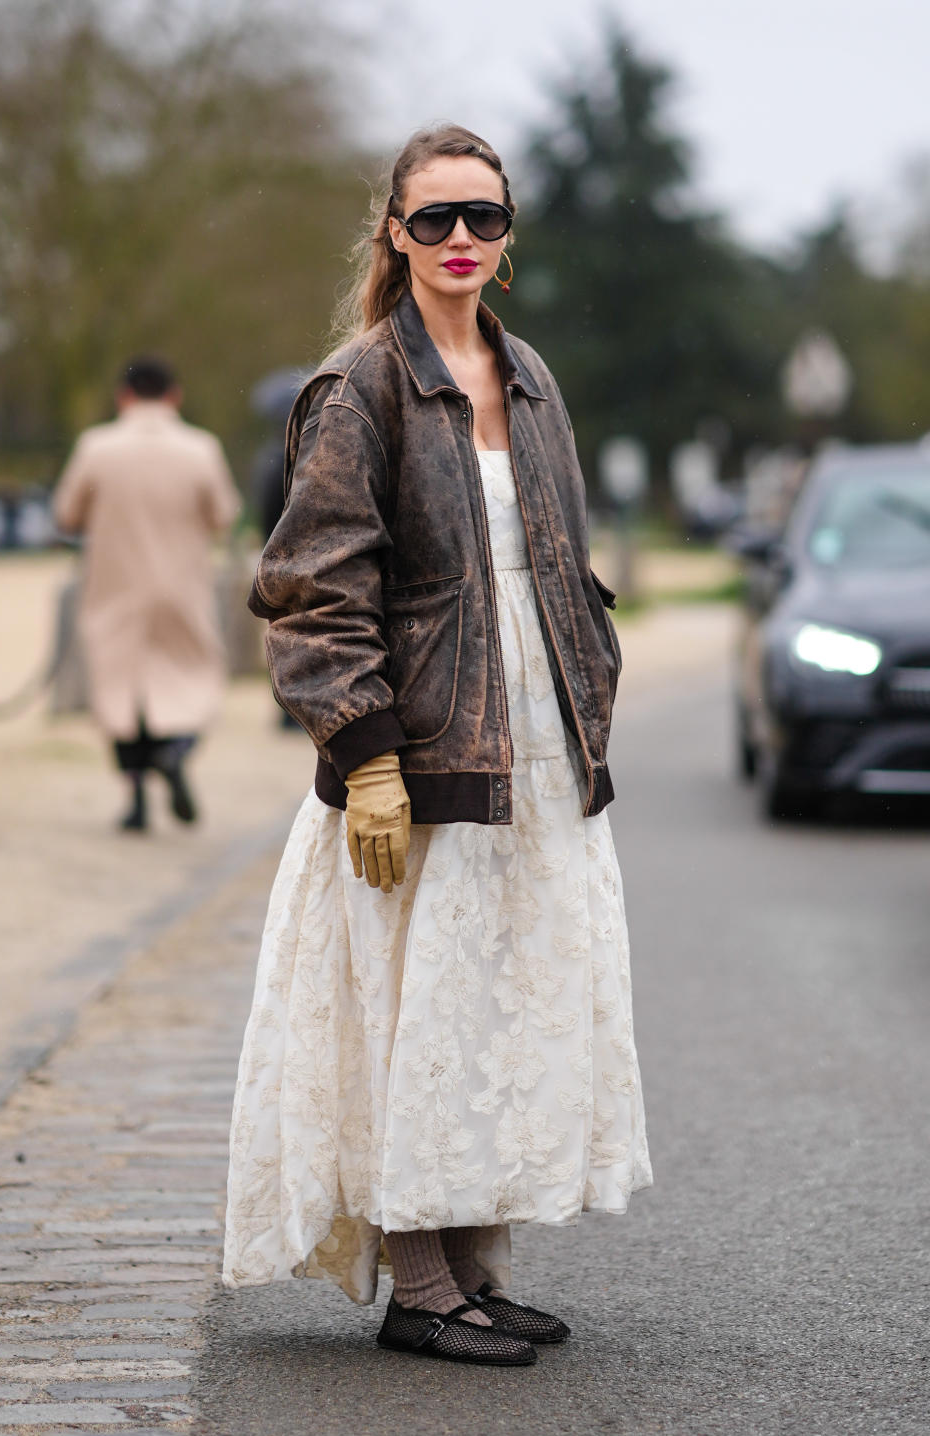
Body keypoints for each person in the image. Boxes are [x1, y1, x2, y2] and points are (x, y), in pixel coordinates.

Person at [223, 125, 651, 1367]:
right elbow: (311, 590)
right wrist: (364, 757)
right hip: (420, 752)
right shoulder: (355, 389)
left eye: (484, 218)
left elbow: (557, 561)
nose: (460, 239)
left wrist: (595, 684)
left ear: (509, 237)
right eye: (434, 220)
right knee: (418, 1013)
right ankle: (418, 1289)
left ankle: (472, 1265)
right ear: (393, 235)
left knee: (493, 1012)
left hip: (541, 747)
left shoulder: (532, 378)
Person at [53, 357, 241, 831]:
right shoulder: (201, 448)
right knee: (189, 680)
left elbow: (66, 514)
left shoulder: (97, 446)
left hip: (115, 587)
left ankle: (135, 800)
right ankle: (174, 752)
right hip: (181, 587)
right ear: (174, 396)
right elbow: (223, 515)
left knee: (122, 694)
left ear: (124, 396)